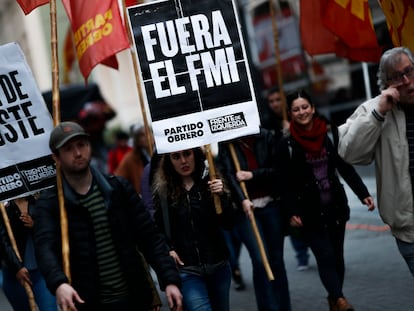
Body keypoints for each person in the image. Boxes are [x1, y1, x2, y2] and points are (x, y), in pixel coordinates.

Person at [32, 121, 183, 311]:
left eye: (81, 145)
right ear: (56, 157)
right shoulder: (50, 204)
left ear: (89, 146)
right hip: (89, 303)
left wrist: (169, 279)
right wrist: (59, 283)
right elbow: (45, 249)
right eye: (69, 149)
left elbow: (150, 238)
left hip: (135, 298)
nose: (78, 153)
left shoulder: (118, 189)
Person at [274, 90, 375, 311]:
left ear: (312, 107)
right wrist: (291, 211)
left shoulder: (330, 134)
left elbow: (344, 166)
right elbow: (284, 182)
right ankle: (340, 300)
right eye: (296, 109)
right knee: (325, 255)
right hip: (309, 211)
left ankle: (334, 298)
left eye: (305, 107)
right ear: (290, 113)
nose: (302, 112)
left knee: (337, 257)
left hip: (336, 207)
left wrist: (363, 192)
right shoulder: (286, 144)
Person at [338, 46, 414, 277]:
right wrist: (379, 113)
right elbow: (348, 152)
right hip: (410, 230)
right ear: (386, 83)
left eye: (409, 71)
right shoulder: (375, 110)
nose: (406, 80)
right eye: (396, 77)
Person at [218, 128, 291, 311]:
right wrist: (241, 198)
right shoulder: (227, 141)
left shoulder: (267, 136)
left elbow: (277, 170)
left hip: (271, 205)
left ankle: (284, 307)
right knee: (259, 260)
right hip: (245, 210)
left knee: (276, 260)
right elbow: (227, 174)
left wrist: (252, 175)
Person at [152, 147, 234, 311]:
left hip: (218, 266)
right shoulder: (164, 192)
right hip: (187, 271)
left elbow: (229, 223)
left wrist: (222, 196)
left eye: (187, 154)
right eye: (176, 156)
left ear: (195, 155)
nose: (183, 161)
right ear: (169, 162)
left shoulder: (210, 183)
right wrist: (168, 249)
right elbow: (157, 231)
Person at [265, 85, 310, 271]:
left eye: (278, 100)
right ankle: (301, 254)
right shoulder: (267, 123)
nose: (275, 104)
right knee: (292, 216)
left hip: (303, 174)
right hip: (285, 177)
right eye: (271, 101)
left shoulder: (297, 115)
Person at [0, 196, 58, 311]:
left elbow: (52, 230)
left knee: (49, 308)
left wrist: (35, 225)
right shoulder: (3, 207)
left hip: (41, 272)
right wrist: (17, 267)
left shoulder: (39, 200)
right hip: (14, 275)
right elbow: (2, 240)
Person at [115, 124, 151, 195]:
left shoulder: (162, 152)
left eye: (149, 133)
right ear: (136, 140)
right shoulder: (130, 158)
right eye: (142, 135)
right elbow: (118, 178)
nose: (147, 136)